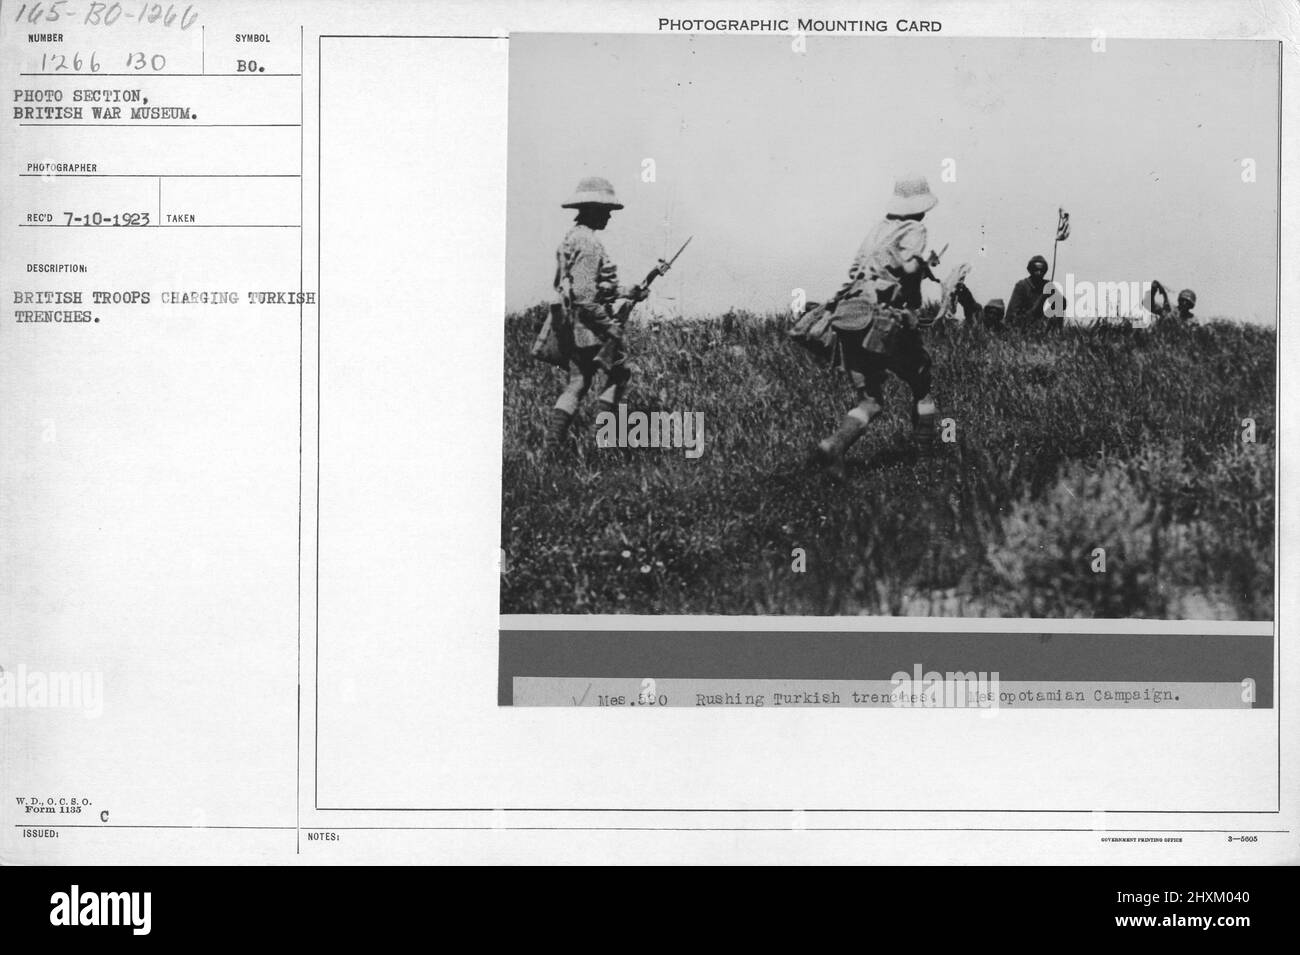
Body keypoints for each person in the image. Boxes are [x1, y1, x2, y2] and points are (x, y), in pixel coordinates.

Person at [813, 175, 944, 480]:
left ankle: (834, 445)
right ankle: (925, 458)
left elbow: (855, 271)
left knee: (870, 400)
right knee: (921, 381)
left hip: (852, 315)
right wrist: (923, 267)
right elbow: (908, 268)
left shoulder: (877, 229)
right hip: (885, 320)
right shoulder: (915, 228)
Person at [545, 177, 648, 451]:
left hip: (573, 324)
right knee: (619, 374)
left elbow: (586, 288)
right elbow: (586, 297)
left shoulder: (573, 237)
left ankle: (552, 447)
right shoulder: (589, 243)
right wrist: (609, 327)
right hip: (590, 325)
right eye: (605, 211)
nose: (608, 217)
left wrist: (627, 292)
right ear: (591, 209)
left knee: (578, 382)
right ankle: (605, 443)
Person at [1006, 255, 1054, 328]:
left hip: (1042, 324)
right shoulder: (1022, 285)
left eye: (1042, 270)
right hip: (1022, 324)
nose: (1039, 272)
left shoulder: (1047, 284)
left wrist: (1059, 299)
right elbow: (1011, 315)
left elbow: (1062, 304)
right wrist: (1043, 297)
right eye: (1036, 270)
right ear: (1030, 270)